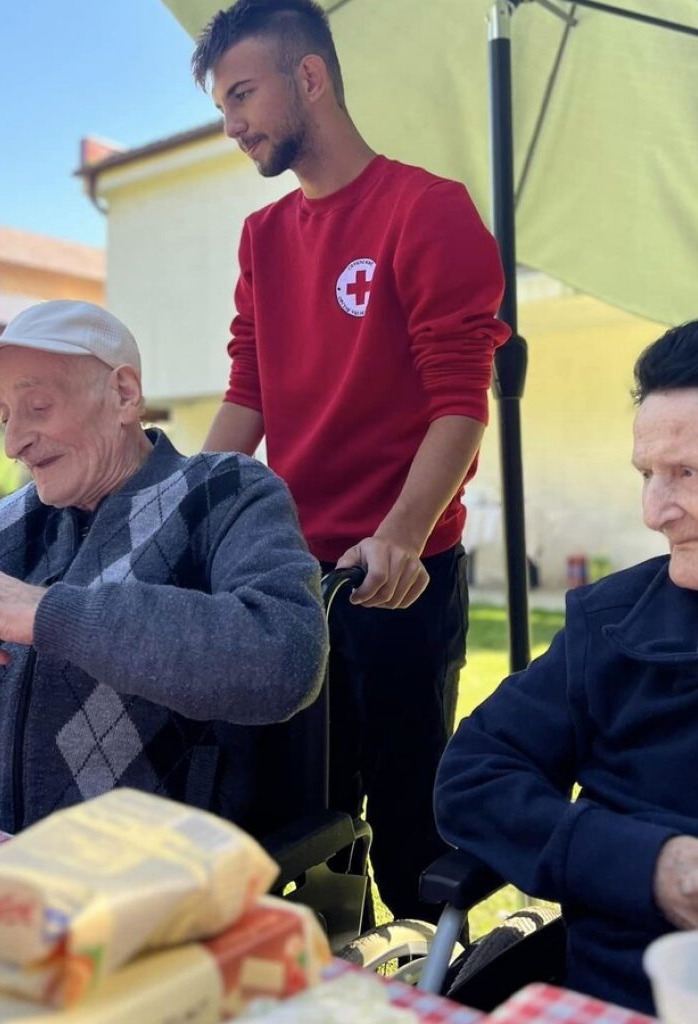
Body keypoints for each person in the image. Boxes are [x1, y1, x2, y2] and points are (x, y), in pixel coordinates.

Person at [190, 0, 510, 920]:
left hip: (399, 577)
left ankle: (419, 982)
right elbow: (247, 389)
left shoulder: (429, 210)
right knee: (303, 829)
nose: (233, 124)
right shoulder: (262, 237)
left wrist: (401, 539)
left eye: (243, 94)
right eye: (222, 106)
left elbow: (459, 400)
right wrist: (186, 511)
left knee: (410, 827)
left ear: (312, 79)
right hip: (288, 579)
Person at [0, 300, 327, 836]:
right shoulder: (12, 522)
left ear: (124, 395)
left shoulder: (227, 492)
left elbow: (283, 655)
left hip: (145, 874)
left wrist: (49, 614)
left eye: (37, 406)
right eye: (4, 415)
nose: (13, 443)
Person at [435, 308, 698, 1014]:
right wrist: (653, 867)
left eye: (687, 473)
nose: (654, 509)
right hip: (623, 996)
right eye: (647, 473)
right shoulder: (612, 628)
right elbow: (474, 778)